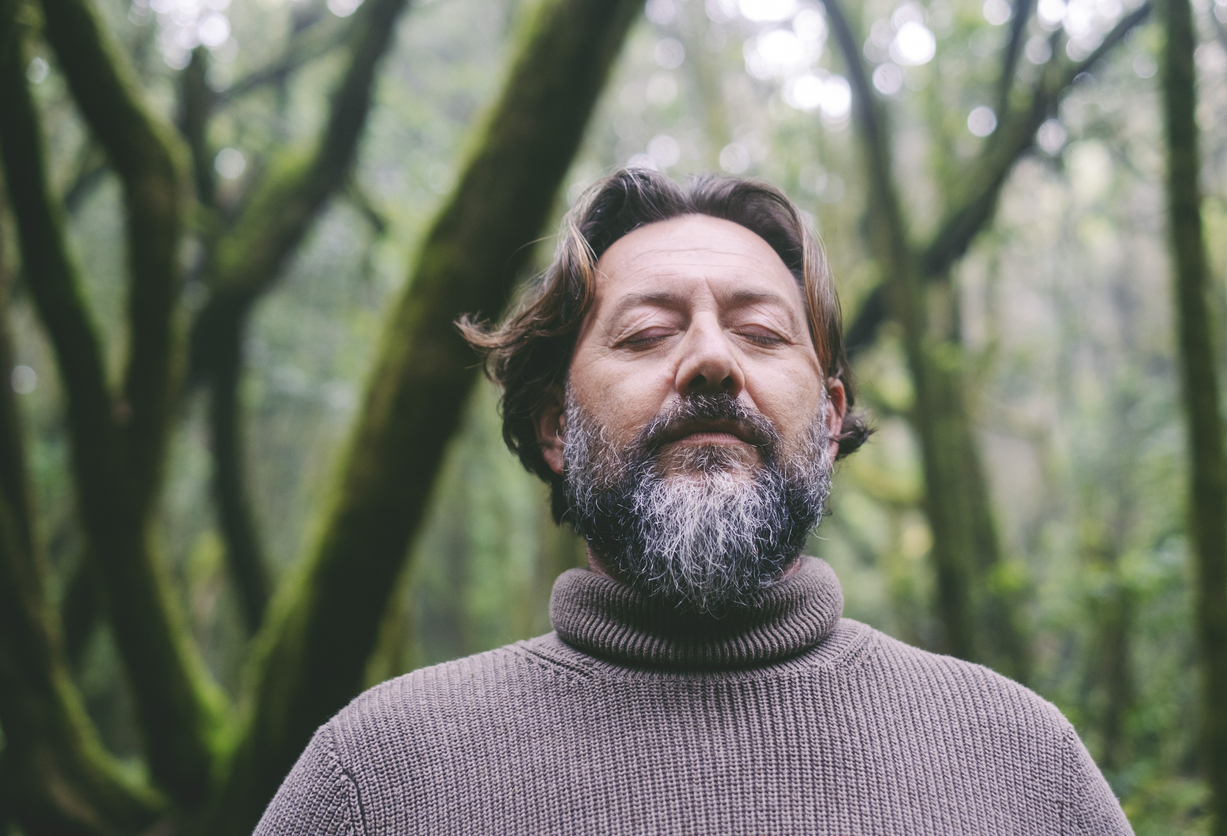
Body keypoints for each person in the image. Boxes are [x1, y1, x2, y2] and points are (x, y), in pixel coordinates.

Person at [254, 170, 1133, 835]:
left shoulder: (1022, 764)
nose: (711, 360)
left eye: (759, 332)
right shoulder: (377, 779)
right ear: (556, 424)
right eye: (646, 334)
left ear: (829, 422)